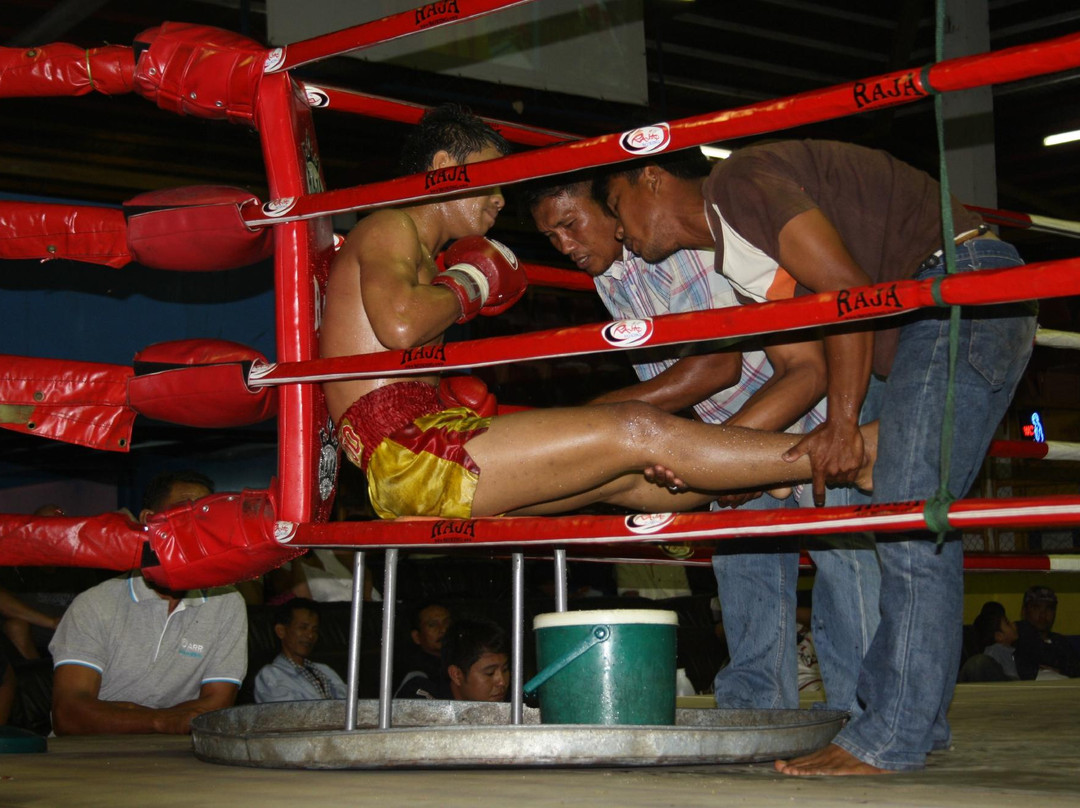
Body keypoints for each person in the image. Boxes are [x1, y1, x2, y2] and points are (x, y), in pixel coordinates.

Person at [603, 139, 1036, 774]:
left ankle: (891, 735)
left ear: (653, 177)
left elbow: (846, 292)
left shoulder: (737, 183)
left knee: (905, 523)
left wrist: (839, 427)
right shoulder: (738, 255)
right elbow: (807, 360)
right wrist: (746, 460)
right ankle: (918, 721)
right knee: (902, 516)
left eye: (615, 205)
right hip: (928, 316)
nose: (617, 229)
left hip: (956, 290)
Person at [319, 105, 878, 532]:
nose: (499, 203)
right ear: (445, 170)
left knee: (633, 481)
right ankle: (850, 454)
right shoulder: (390, 224)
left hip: (414, 456)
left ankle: (787, 465)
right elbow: (398, 326)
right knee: (634, 428)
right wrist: (476, 278)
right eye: (491, 183)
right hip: (412, 458)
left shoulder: (420, 256)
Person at [524, 171, 879, 713]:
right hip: (731, 424)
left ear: (609, 208)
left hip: (804, 406)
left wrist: (598, 420)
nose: (565, 246)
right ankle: (760, 706)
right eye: (551, 238)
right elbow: (681, 377)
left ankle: (869, 714)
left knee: (843, 557)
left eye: (571, 225)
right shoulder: (609, 276)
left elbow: (717, 363)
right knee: (743, 565)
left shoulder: (667, 242)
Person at [48, 470, 248, 735]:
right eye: (183, 515)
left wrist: (130, 714)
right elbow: (69, 715)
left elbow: (216, 708)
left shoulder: (227, 603)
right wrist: (163, 722)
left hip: (173, 756)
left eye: (205, 518)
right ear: (148, 521)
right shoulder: (96, 603)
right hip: (90, 755)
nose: (196, 528)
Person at [253, 598, 348, 703]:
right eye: (303, 628)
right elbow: (289, 716)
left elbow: (350, 705)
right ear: (281, 631)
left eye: (315, 630)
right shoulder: (271, 675)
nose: (310, 635)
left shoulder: (325, 670)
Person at [397, 617, 509, 702]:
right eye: (490, 673)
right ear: (456, 675)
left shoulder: (512, 700)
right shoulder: (423, 697)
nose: (502, 682)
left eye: (505, 670)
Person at [1014, 585, 1080, 680]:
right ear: (1024, 611)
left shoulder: (1061, 643)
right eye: (1036, 607)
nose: (1043, 614)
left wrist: (1061, 671)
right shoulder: (1016, 639)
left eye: (1049, 608)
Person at [395, 602, 452, 694]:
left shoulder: (465, 660)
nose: (443, 630)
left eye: (447, 623)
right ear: (417, 637)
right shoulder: (415, 674)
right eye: (432, 625)